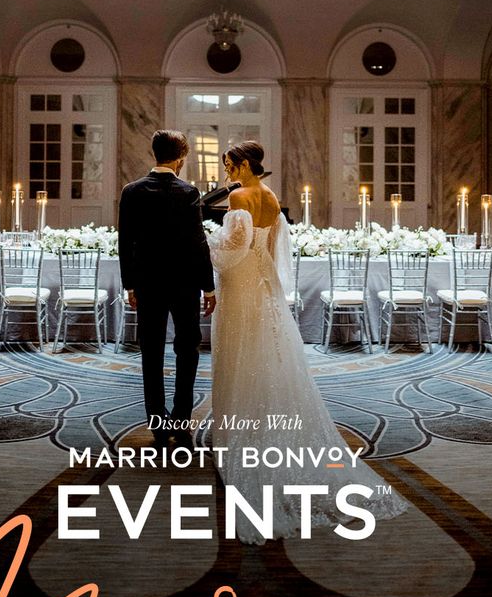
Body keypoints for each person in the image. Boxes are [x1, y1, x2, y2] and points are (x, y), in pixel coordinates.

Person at [208, 140, 407, 543]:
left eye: (229, 164)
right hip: (264, 279)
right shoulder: (269, 195)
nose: (226, 171)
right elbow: (269, 244)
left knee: (240, 347)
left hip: (242, 280)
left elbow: (234, 248)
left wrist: (207, 237)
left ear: (244, 165)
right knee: (268, 350)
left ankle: (241, 431)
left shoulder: (239, 196)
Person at [118, 129, 216, 452]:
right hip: (184, 284)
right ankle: (181, 419)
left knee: (152, 351)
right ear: (179, 159)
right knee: (187, 350)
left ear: (155, 154)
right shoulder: (188, 192)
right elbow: (198, 243)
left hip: (147, 283)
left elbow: (125, 243)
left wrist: (129, 283)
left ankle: (157, 421)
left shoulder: (131, 192)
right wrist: (208, 286)